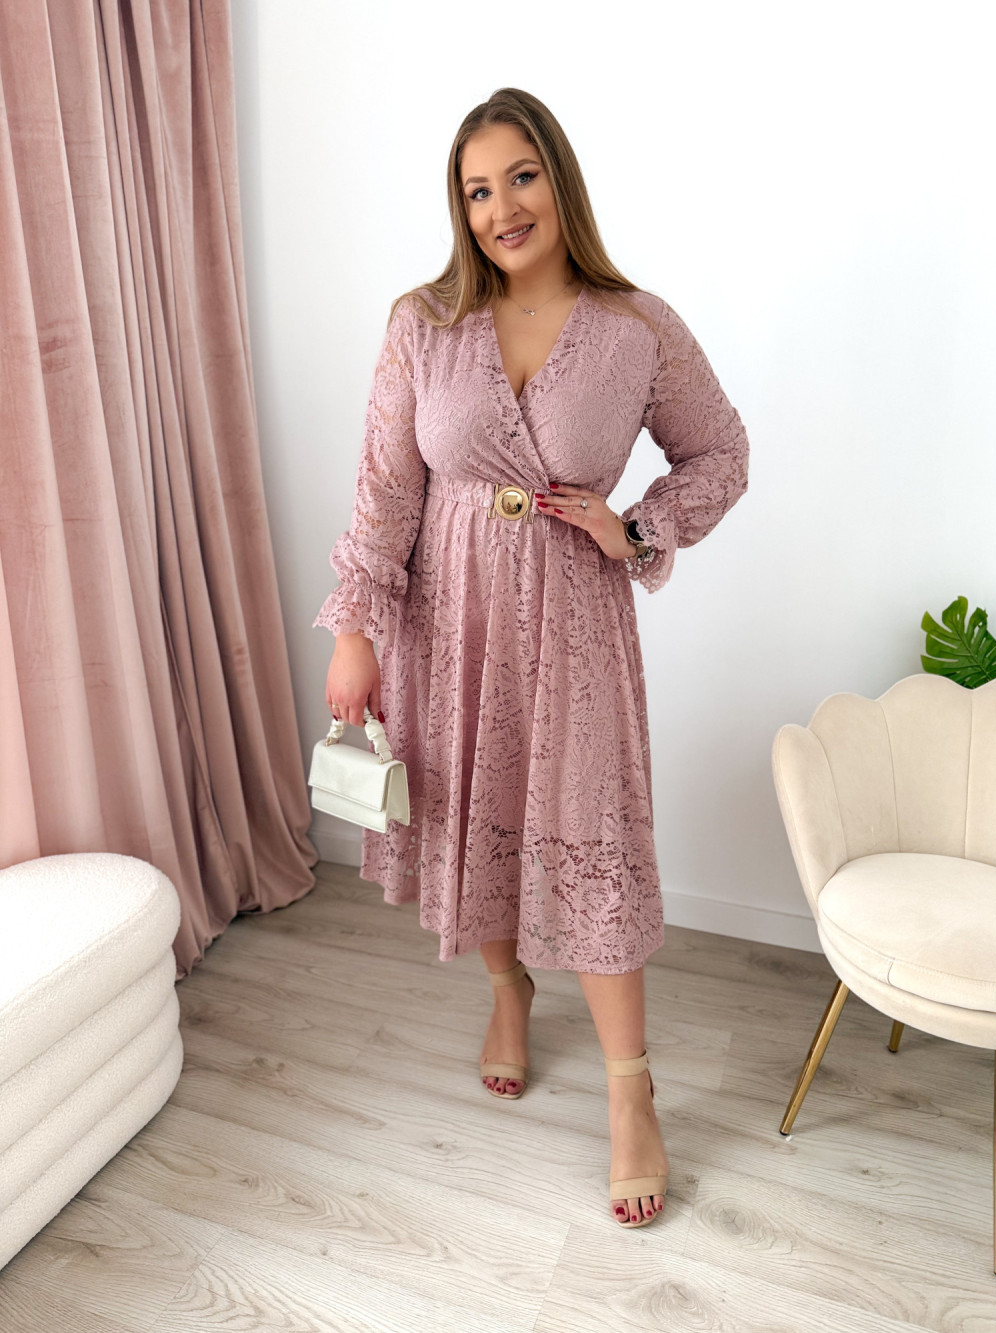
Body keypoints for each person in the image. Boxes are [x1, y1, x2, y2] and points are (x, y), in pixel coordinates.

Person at [314, 87, 749, 1229]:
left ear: (558, 178)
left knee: (592, 833)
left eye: (520, 176)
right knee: (478, 809)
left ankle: (629, 1088)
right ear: (458, 209)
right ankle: (507, 989)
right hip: (447, 619)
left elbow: (721, 450)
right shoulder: (423, 322)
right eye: (476, 190)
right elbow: (385, 490)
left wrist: (636, 527)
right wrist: (356, 630)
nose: (501, 208)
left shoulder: (636, 326)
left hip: (574, 623)